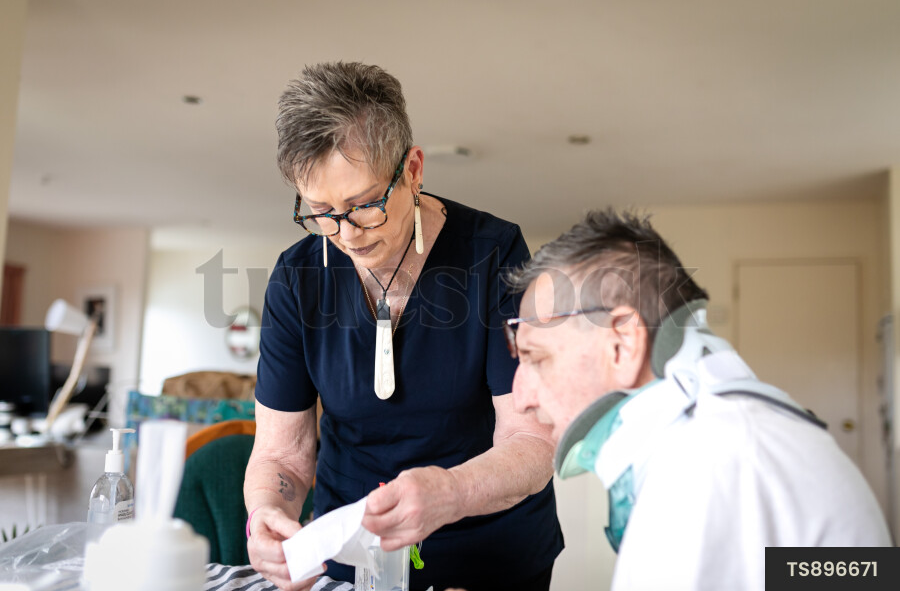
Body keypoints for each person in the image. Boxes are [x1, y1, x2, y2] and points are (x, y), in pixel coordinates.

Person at [243, 62, 563, 591]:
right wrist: (266, 514)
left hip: (488, 556)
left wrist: (451, 492)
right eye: (321, 210)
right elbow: (281, 454)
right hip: (352, 556)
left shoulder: (493, 255)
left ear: (413, 169)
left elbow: (531, 438)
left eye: (364, 204)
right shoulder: (297, 278)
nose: (346, 233)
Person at [505, 209, 891, 590]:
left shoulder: (708, 463)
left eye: (536, 358)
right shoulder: (740, 436)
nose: (521, 398)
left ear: (623, 345)